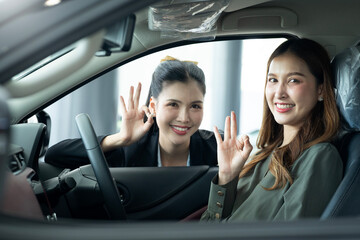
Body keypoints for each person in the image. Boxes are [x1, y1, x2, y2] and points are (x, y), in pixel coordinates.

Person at [201, 38, 343, 222]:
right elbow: (208, 226)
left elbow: (293, 235)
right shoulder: (264, 154)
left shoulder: (320, 156)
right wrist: (227, 176)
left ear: (321, 90)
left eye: (293, 80)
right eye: (273, 80)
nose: (279, 93)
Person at [45, 56, 218, 169]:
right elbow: (55, 155)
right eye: (173, 104)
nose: (184, 118)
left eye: (195, 106)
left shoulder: (218, 149)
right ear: (153, 107)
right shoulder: (130, 149)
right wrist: (121, 139)